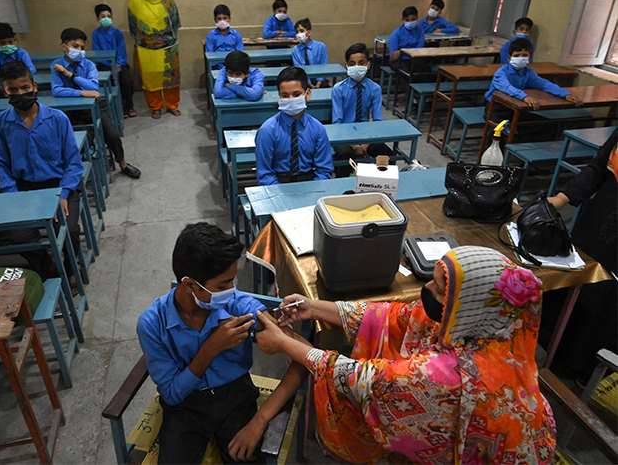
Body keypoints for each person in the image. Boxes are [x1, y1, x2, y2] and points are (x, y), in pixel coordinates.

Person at [255, 246, 557, 464]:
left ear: (468, 306)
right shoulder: (499, 327)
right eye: (434, 279)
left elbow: (368, 382)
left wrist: (285, 343)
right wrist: (314, 307)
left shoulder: (452, 376)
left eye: (439, 290)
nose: (426, 289)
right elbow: (393, 317)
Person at [137, 222, 309, 464]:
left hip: (235, 397)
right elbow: (172, 394)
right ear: (189, 285)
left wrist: (259, 420)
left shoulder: (238, 305)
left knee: (246, 456)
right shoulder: (153, 324)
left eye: (232, 281)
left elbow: (303, 354)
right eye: (222, 285)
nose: (232, 290)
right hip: (186, 405)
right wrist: (211, 348)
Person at [0, 61, 83, 287]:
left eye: (24, 88)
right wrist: (13, 193)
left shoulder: (57, 118)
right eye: (12, 90)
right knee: (19, 238)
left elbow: (73, 161)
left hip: (59, 186)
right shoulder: (1, 122)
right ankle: (46, 266)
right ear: (4, 91)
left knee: (69, 230)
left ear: (34, 86)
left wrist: (63, 193)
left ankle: (71, 268)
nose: (20, 94)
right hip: (23, 189)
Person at [543, 128, 617, 384]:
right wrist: (561, 199)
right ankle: (552, 348)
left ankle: (585, 367)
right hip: (600, 219)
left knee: (606, 302)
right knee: (576, 282)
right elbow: (600, 166)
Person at [51, 28, 141, 179]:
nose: (79, 50)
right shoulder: (56, 65)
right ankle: (85, 170)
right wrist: (82, 93)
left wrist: (70, 75)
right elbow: (57, 90)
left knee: (112, 136)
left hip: (95, 107)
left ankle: (123, 164)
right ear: (63, 47)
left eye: (82, 47)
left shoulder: (88, 65)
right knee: (82, 140)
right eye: (75, 46)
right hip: (73, 111)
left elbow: (93, 87)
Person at [484, 38, 582, 144]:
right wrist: (525, 97)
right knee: (498, 132)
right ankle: (494, 158)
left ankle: (529, 154)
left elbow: (544, 84)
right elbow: (507, 88)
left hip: (516, 108)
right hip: (497, 108)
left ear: (529, 57)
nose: (521, 58)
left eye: (524, 55)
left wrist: (565, 94)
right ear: (509, 58)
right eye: (517, 55)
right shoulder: (501, 73)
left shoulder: (528, 72)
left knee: (544, 125)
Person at [255, 66, 332, 185]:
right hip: (278, 181)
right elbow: (265, 174)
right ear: (279, 96)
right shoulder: (267, 130)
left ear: (307, 94)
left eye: (296, 94)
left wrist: (315, 190)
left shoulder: (318, 129)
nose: (291, 100)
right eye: (285, 96)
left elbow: (324, 170)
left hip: (309, 181)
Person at [331, 43, 391, 177]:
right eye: (352, 64)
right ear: (346, 66)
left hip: (366, 133)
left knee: (385, 153)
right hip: (343, 133)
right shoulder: (338, 89)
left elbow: (377, 121)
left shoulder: (375, 88)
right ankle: (343, 187)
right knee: (344, 154)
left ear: (368, 65)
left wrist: (364, 145)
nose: (356, 67)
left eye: (361, 63)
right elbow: (337, 122)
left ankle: (382, 186)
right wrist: (354, 146)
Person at [128, 0, 181, 119]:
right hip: (145, 47)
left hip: (168, 46)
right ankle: (155, 107)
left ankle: (172, 105)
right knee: (150, 78)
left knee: (171, 76)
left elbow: (174, 22)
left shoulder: (168, 1)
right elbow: (133, 24)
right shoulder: (135, 1)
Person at [91, 3, 137, 118]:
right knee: (109, 82)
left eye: (109, 16)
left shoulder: (117, 33)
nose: (106, 18)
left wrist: (118, 65)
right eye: (103, 16)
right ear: (98, 19)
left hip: (119, 63)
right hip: (104, 65)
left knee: (126, 82)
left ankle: (129, 105)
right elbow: (97, 53)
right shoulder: (96, 34)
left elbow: (122, 51)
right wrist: (109, 65)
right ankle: (117, 107)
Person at [389, 6, 430, 95]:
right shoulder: (396, 33)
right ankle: (411, 100)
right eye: (407, 20)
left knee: (425, 69)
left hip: (413, 58)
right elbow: (393, 55)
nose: (410, 22)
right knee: (405, 73)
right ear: (403, 20)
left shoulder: (420, 31)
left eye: (413, 19)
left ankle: (427, 98)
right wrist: (405, 52)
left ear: (417, 18)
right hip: (398, 60)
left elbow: (419, 50)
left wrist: (402, 51)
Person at [291, 18, 329, 89]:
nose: (299, 34)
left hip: (319, 80)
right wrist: (309, 84)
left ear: (309, 32)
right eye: (297, 32)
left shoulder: (321, 47)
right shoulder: (295, 50)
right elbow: (299, 70)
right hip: (304, 81)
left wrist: (318, 83)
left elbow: (324, 66)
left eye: (302, 31)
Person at [206, 4, 244, 70]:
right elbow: (210, 54)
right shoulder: (211, 35)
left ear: (229, 19)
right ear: (215, 19)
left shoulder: (236, 34)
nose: (222, 21)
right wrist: (221, 67)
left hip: (235, 65)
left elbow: (240, 52)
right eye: (219, 19)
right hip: (217, 66)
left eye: (225, 18)